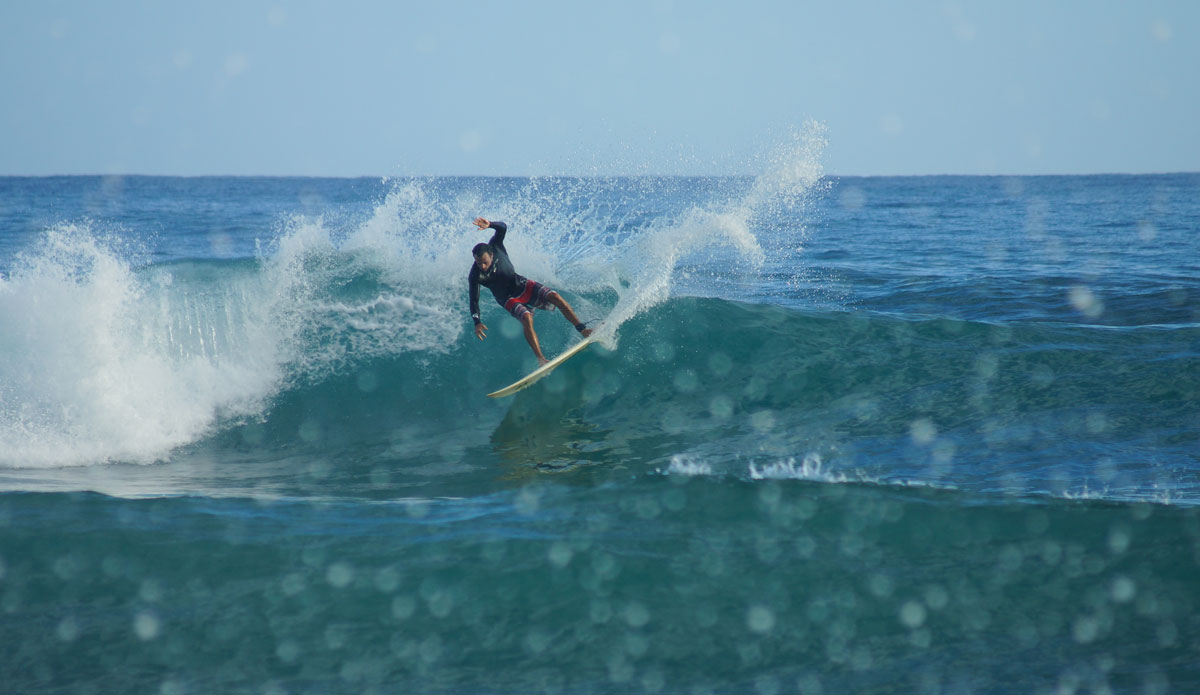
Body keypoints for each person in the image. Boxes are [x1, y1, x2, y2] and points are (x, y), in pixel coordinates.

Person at [468, 217, 591, 365]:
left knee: (555, 296)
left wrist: (490, 225)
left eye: (484, 262)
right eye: (478, 263)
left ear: (492, 255)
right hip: (506, 298)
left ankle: (583, 330)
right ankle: (541, 359)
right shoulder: (475, 275)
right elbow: (474, 299)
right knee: (526, 318)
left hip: (521, 284)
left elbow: (503, 228)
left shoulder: (495, 246)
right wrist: (477, 322)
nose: (482, 266)